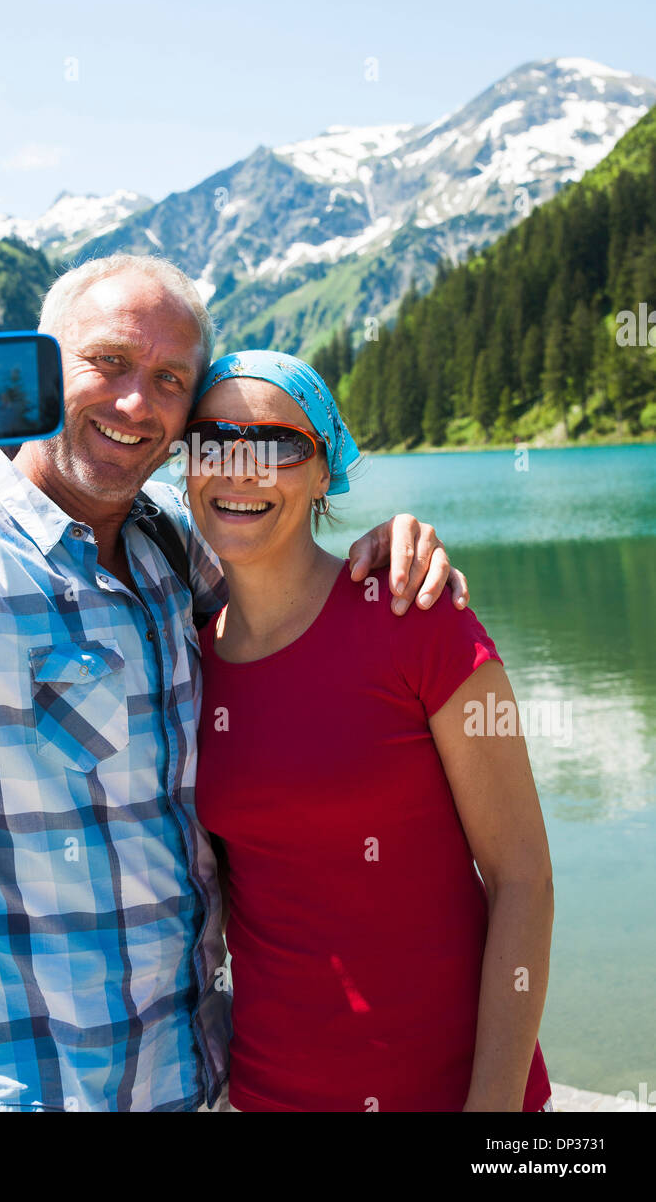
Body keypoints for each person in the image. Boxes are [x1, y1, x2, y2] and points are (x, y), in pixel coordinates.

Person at [0, 256, 466, 1113]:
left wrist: (390, 547)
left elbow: (292, 585)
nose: (136, 403)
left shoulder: (176, 551)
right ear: (41, 370)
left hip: (199, 1074)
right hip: (26, 1089)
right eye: (107, 363)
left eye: (169, 380)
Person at [189, 350, 554, 1112]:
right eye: (213, 438)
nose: (241, 467)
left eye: (280, 444)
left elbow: (523, 880)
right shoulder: (183, 655)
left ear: (326, 470)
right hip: (267, 1093)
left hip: (449, 1094)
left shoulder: (415, 616)